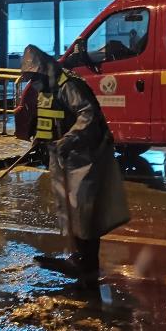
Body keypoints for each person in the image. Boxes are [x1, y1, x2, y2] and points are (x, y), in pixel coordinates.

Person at [20, 43, 129, 285]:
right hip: (66, 155)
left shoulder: (68, 85)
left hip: (85, 154)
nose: (32, 84)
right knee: (69, 208)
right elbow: (50, 118)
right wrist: (41, 139)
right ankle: (79, 257)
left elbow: (87, 114)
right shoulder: (48, 87)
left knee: (83, 209)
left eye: (33, 78)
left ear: (42, 71)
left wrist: (68, 140)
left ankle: (87, 263)